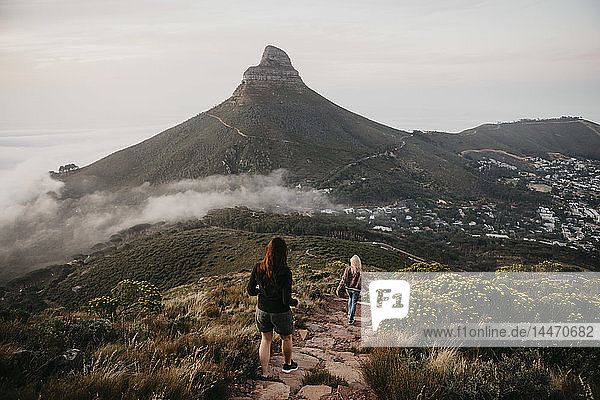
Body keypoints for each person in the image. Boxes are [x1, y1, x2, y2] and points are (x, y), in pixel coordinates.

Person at [247, 237, 299, 377]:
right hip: (280, 312)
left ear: (268, 250)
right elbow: (285, 299)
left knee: (265, 339)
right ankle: (288, 365)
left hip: (262, 310)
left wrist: (262, 292)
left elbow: (250, 291)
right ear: (284, 253)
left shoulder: (258, 267)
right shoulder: (285, 272)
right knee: (286, 338)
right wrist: (295, 302)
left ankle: (264, 373)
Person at [336, 255, 361, 324]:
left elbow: (343, 279)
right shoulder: (360, 271)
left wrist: (339, 288)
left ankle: (349, 314)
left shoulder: (347, 269)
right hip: (356, 290)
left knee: (350, 300)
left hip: (348, 289)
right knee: (354, 303)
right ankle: (351, 318)